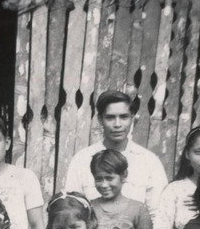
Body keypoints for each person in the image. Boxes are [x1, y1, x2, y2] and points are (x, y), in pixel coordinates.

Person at [64, 90, 168, 219]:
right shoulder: (82, 160)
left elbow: (157, 213)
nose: (117, 124)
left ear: (132, 118)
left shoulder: (149, 161)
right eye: (110, 117)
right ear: (100, 119)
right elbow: (72, 208)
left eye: (124, 117)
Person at [89, 149, 152, 229]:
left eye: (109, 178)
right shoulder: (89, 208)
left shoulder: (138, 209)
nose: (104, 184)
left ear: (124, 175)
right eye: (98, 179)